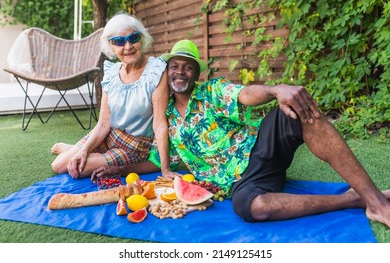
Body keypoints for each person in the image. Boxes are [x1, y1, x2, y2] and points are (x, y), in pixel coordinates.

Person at [91, 39, 390, 228]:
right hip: (242, 183)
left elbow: (244, 94)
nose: (180, 72)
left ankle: (377, 202)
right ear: (166, 73)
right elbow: (157, 161)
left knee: (299, 111)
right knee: (253, 209)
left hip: (260, 149)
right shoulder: (163, 116)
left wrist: (275, 90)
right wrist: (119, 168)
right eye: (174, 67)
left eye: (188, 67)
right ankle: (353, 199)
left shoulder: (212, 90)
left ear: (197, 74)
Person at [51, 13, 176, 179]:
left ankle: (76, 150)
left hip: (134, 146)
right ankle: (75, 149)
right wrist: (84, 150)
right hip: (109, 134)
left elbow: (159, 124)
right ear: (110, 46)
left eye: (134, 38)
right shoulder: (111, 73)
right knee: (58, 165)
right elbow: (103, 124)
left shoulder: (156, 70)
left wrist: (165, 169)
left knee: (76, 168)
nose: (128, 46)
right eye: (119, 41)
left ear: (142, 39)